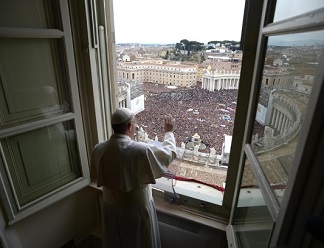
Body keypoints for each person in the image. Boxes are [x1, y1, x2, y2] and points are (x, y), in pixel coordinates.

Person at [91, 107, 176, 248]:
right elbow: (169, 153)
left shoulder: (98, 149)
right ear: (130, 126)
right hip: (136, 212)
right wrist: (169, 132)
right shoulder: (141, 150)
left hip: (109, 209)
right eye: (134, 123)